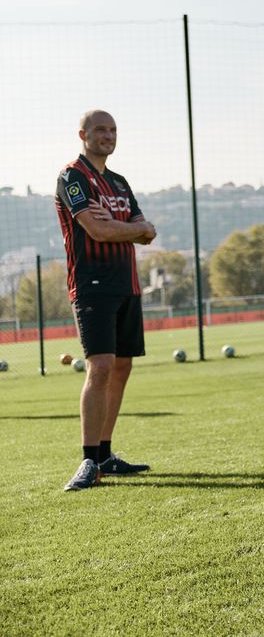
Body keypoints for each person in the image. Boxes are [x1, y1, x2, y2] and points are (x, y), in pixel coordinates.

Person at [55, 110, 156, 491]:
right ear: (83, 134)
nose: (108, 136)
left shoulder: (118, 182)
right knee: (99, 367)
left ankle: (105, 455)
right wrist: (129, 228)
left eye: (113, 130)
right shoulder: (73, 176)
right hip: (93, 284)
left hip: (127, 284)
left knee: (122, 367)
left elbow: (148, 231)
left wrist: (128, 229)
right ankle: (87, 460)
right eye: (100, 129)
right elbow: (95, 229)